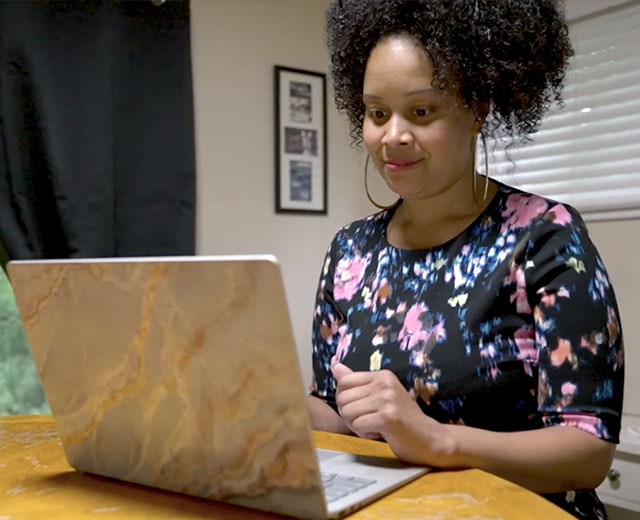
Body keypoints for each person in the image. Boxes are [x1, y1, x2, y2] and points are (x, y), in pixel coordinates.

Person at [306, 1, 625, 519]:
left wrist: (437, 440)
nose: (393, 136)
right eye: (377, 113)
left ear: (477, 107)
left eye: (422, 111)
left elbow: (587, 452)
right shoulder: (349, 251)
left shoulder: (544, 236)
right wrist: (263, 407)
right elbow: (336, 410)